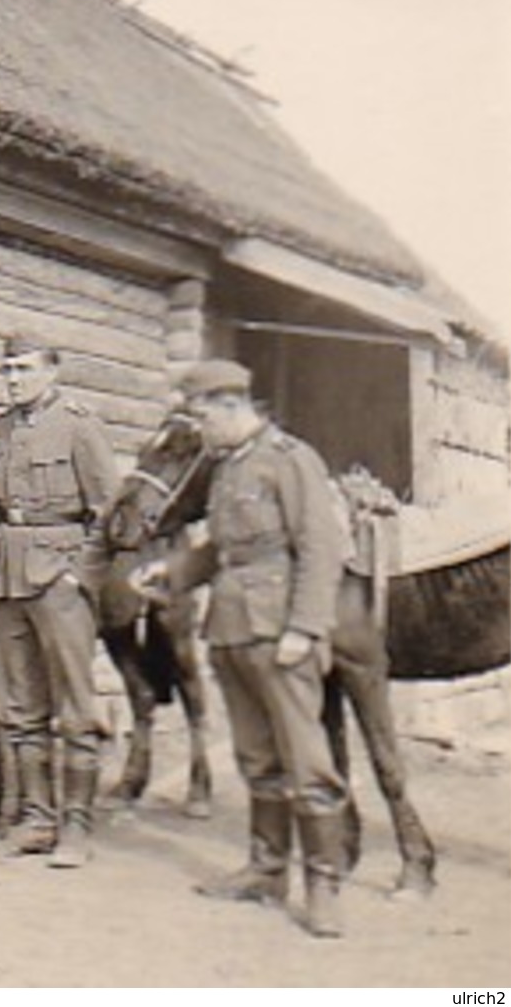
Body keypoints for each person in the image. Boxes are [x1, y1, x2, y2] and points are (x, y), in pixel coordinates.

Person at [159, 358, 349, 937]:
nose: (199, 430)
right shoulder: (226, 468)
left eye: (202, 418)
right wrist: (171, 576)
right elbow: (221, 548)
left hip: (280, 632)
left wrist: (305, 627)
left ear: (229, 406)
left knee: (307, 762)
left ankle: (324, 886)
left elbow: (322, 547)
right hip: (231, 629)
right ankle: (267, 871)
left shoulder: (291, 460)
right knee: (256, 759)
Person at [0, 334, 119, 868]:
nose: (14, 379)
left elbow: (108, 515)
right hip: (7, 576)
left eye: (24, 369)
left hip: (60, 575)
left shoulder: (79, 424)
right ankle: (36, 820)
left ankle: (77, 828)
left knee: (74, 707)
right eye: (7, 370)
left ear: (53, 371)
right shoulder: (2, 428)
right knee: (18, 707)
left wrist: (78, 578)